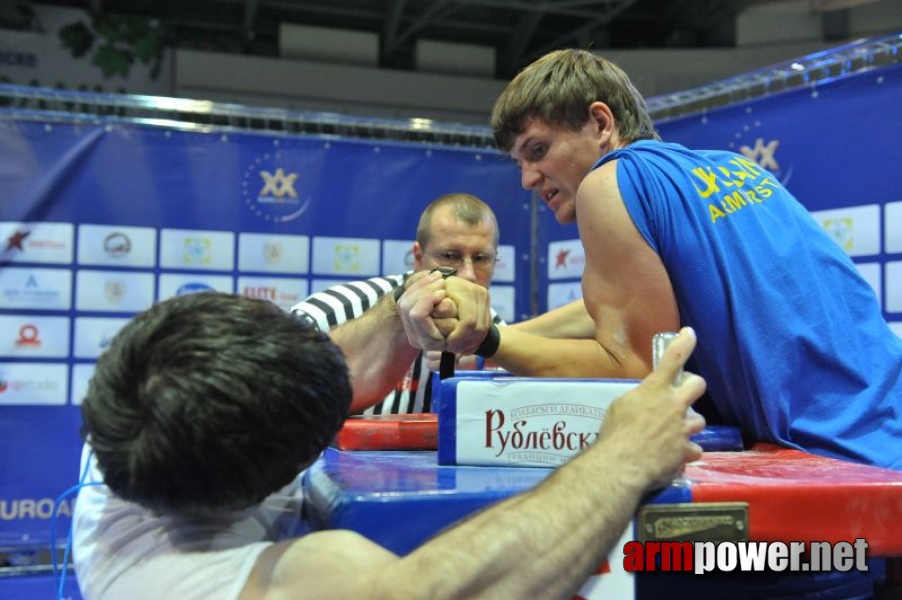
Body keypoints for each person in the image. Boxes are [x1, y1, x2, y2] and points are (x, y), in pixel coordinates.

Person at [73, 291, 707, 600]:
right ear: (275, 477)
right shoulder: (188, 584)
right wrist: (623, 454)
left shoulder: (153, 394)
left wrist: (411, 302)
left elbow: (332, 365)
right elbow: (440, 591)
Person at [439, 48, 901, 469]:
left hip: (850, 459)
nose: (526, 179)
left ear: (601, 124)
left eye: (538, 151)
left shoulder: (608, 182)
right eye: (518, 162)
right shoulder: (732, 167)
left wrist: (490, 343)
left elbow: (637, 369)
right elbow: (628, 304)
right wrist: (499, 336)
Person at [290, 192, 506, 415]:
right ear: (418, 257)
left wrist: (481, 379)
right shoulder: (329, 313)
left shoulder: (502, 337)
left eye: (481, 258)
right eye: (450, 255)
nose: (468, 275)